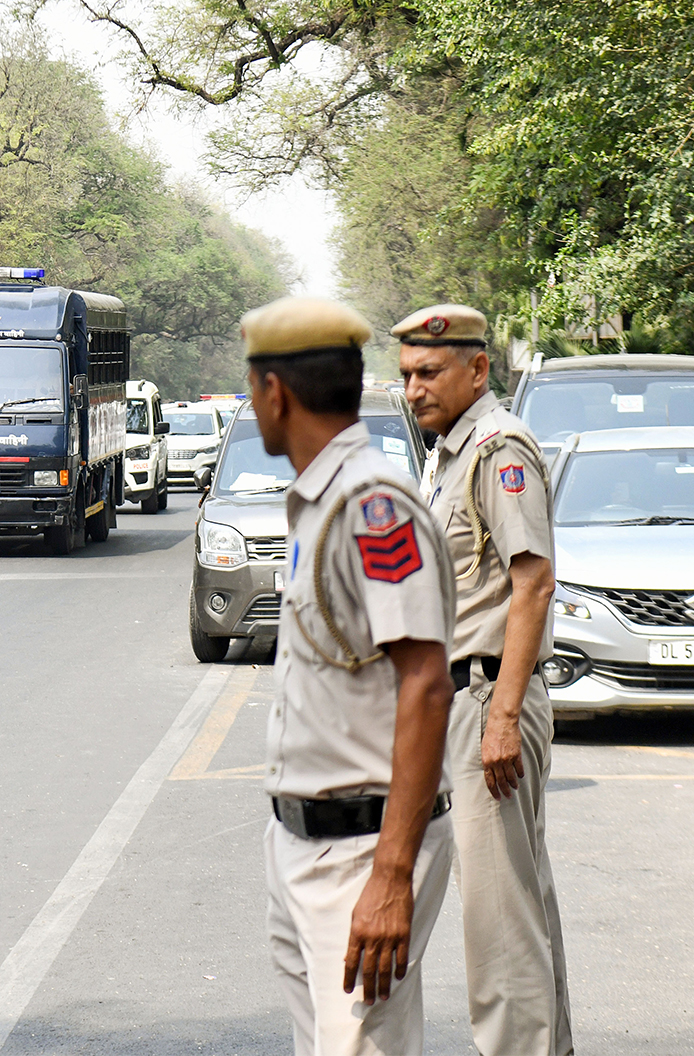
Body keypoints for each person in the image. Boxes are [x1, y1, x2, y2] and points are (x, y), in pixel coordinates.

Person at [244, 297, 458, 1056]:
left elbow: (428, 682)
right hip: (305, 845)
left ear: (276, 393)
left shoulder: (374, 508)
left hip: (363, 853)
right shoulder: (322, 501)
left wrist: (392, 875)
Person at [394, 304, 573, 1056]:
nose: (413, 389)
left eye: (429, 372)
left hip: (485, 698)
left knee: (497, 924)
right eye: (404, 375)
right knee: (515, 908)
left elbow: (532, 584)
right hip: (466, 698)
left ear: (477, 370)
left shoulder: (500, 450)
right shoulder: (449, 451)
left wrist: (501, 717)